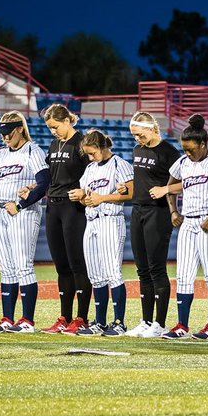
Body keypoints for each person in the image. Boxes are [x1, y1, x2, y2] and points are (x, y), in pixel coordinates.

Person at [153, 115, 208, 340]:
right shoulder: (182, 162)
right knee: (184, 275)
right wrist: (173, 211)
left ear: (203, 145)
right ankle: (181, 325)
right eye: (184, 149)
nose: (187, 152)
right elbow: (169, 188)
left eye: (190, 149)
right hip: (188, 221)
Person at [0, 112, 48, 333]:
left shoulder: (33, 151)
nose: (5, 137)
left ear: (19, 129)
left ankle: (27, 320)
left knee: (23, 265)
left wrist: (20, 205)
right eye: (2, 133)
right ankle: (7, 318)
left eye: (8, 133)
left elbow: (44, 183)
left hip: (23, 213)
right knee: (6, 268)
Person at [38, 104, 93, 335]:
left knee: (78, 264)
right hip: (53, 207)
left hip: (74, 208)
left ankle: (81, 317)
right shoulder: (53, 144)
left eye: (56, 127)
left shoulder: (82, 143)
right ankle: (65, 317)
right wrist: (34, 187)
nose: (53, 131)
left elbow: (95, 172)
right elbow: (52, 176)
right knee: (61, 266)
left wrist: (84, 191)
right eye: (50, 128)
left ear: (67, 121)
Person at [124, 111, 181, 338]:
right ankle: (146, 321)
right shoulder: (138, 150)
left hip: (158, 212)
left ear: (151, 128)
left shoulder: (169, 152)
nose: (138, 139)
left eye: (140, 135)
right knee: (142, 270)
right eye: (134, 136)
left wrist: (165, 189)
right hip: (137, 210)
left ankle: (159, 323)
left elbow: (188, 181)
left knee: (156, 268)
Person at [75, 128, 134, 334]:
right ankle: (99, 322)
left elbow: (130, 193)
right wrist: (82, 197)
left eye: (93, 152)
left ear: (102, 147)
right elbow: (86, 195)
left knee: (112, 272)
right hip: (91, 220)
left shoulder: (120, 164)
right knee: (96, 275)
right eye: (88, 154)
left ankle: (119, 323)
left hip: (110, 220)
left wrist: (102, 198)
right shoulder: (90, 168)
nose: (91, 157)